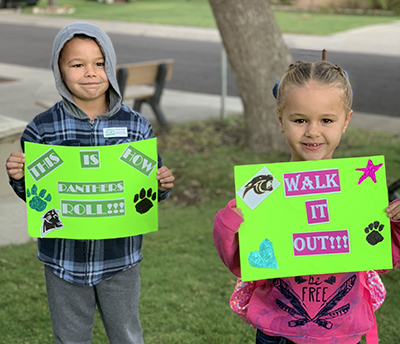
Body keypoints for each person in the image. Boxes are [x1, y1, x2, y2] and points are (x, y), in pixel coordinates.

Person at [5, 22, 175, 344]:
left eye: (99, 63)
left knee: (126, 335)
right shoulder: (41, 130)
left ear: (110, 65)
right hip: (63, 259)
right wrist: (19, 178)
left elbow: (148, 188)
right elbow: (38, 199)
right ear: (59, 70)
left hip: (120, 258)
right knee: (70, 339)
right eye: (77, 65)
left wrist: (161, 184)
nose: (90, 73)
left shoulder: (136, 126)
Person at [213, 61, 400, 344]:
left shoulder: (359, 187)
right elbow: (238, 259)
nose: (312, 131)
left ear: (346, 121)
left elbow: (383, 257)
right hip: (277, 330)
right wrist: (229, 221)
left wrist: (396, 223)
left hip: (343, 331)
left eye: (326, 120)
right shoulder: (262, 184)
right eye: (300, 120)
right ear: (280, 120)